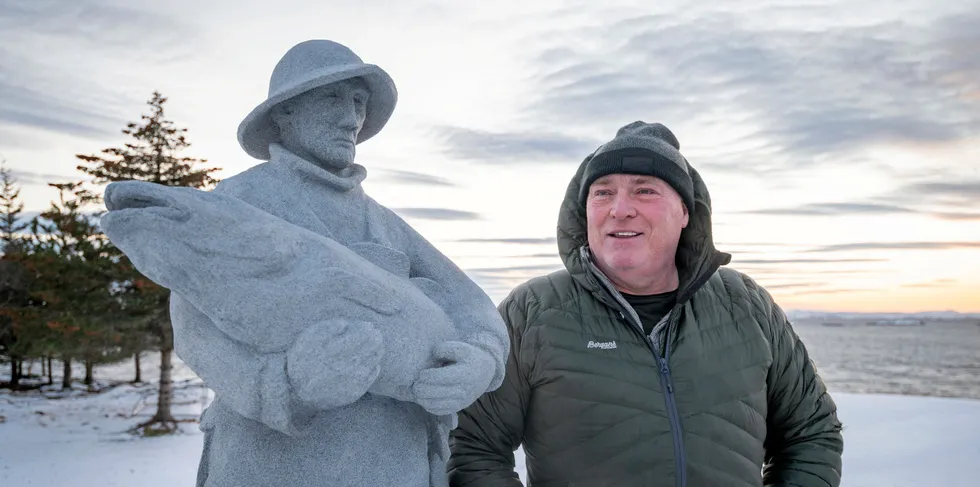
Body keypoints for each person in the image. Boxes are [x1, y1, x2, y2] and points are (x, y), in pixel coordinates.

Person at [165, 39, 508, 487]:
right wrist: (286, 386)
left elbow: (472, 309)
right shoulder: (239, 204)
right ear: (284, 114)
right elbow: (194, 327)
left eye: (359, 101)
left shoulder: (384, 223)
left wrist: (480, 362)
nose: (351, 118)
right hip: (271, 466)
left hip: (394, 464)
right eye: (331, 98)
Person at [448, 121, 843, 486]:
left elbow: (811, 431)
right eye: (602, 192)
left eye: (644, 190)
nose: (620, 208)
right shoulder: (532, 311)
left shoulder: (746, 305)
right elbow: (471, 448)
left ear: (685, 212)